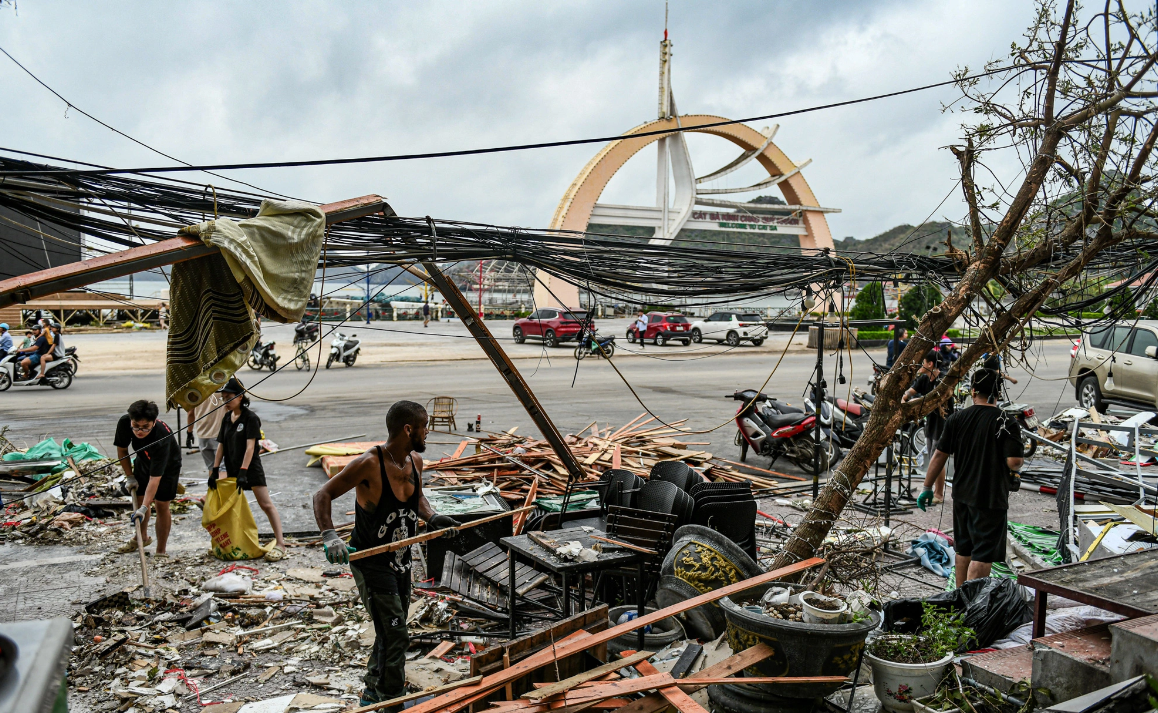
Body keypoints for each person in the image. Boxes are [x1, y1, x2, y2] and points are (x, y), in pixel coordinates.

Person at [312, 400, 461, 707]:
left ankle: (372, 692)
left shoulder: (415, 461)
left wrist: (432, 517)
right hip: (372, 563)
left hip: (401, 561)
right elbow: (322, 494)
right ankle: (390, 700)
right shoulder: (369, 464)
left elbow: (417, 498)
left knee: (388, 629)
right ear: (408, 429)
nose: (427, 432)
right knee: (396, 632)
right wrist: (329, 536)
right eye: (424, 426)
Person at [918, 369, 1024, 589]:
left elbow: (939, 454)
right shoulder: (1006, 421)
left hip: (962, 495)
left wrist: (927, 487)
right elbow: (1014, 461)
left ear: (973, 390)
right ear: (998, 393)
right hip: (990, 497)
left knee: (963, 549)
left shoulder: (957, 418)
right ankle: (972, 607)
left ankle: (959, 599)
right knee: (983, 555)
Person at [210, 377, 286, 560]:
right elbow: (221, 445)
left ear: (241, 396)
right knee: (229, 508)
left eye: (229, 398)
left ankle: (281, 544)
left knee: (266, 504)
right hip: (231, 468)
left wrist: (244, 471)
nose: (225, 402)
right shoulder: (227, 417)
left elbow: (251, 447)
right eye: (223, 398)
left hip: (250, 468)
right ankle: (232, 543)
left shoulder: (251, 418)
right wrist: (214, 470)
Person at [114, 400, 182, 556]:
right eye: (136, 426)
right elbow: (122, 450)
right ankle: (142, 537)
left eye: (145, 428)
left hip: (167, 468)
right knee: (138, 497)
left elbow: (155, 479)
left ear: (154, 422)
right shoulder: (125, 422)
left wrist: (145, 508)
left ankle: (161, 550)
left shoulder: (162, 435)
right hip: (143, 460)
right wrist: (130, 476)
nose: (139, 431)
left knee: (161, 504)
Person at [902, 349, 953, 502]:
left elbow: (931, 399)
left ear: (930, 364)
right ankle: (933, 491)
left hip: (943, 422)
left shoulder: (943, 381)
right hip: (930, 422)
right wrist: (904, 399)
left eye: (923, 362)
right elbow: (909, 392)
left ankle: (939, 494)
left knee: (938, 457)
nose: (921, 366)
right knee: (932, 456)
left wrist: (914, 402)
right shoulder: (924, 379)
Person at [187, 389, 227, 470]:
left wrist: (189, 432)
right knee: (223, 468)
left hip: (202, 435)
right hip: (219, 434)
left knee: (211, 468)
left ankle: (212, 483)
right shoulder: (222, 387)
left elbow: (191, 413)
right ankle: (221, 483)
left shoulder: (195, 389)